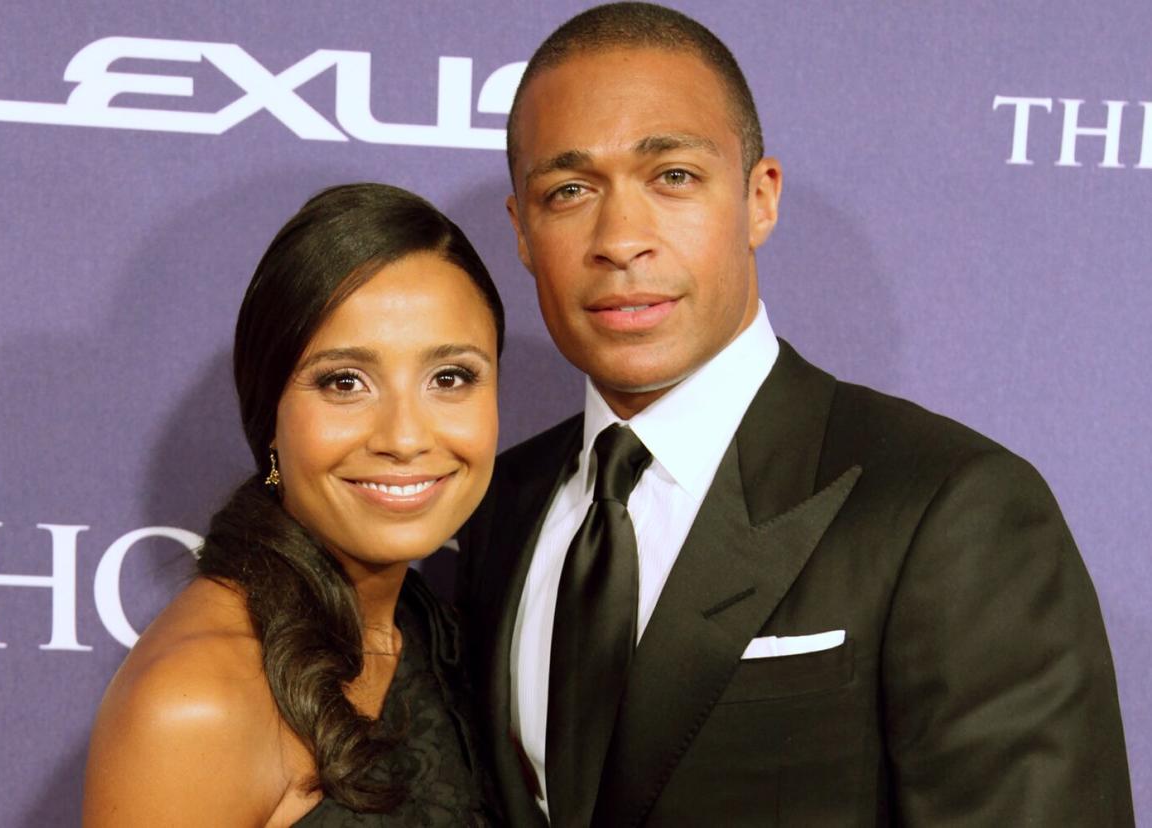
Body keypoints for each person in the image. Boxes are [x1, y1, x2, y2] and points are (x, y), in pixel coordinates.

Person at [455, 3, 1134, 826]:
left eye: (673, 176)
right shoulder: (491, 508)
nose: (621, 239)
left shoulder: (951, 508)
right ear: (522, 231)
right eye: (568, 190)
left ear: (760, 200)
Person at [83, 183, 503, 826]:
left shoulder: (429, 629)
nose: (406, 437)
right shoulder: (197, 703)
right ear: (269, 418)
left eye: (450, 378)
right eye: (344, 382)